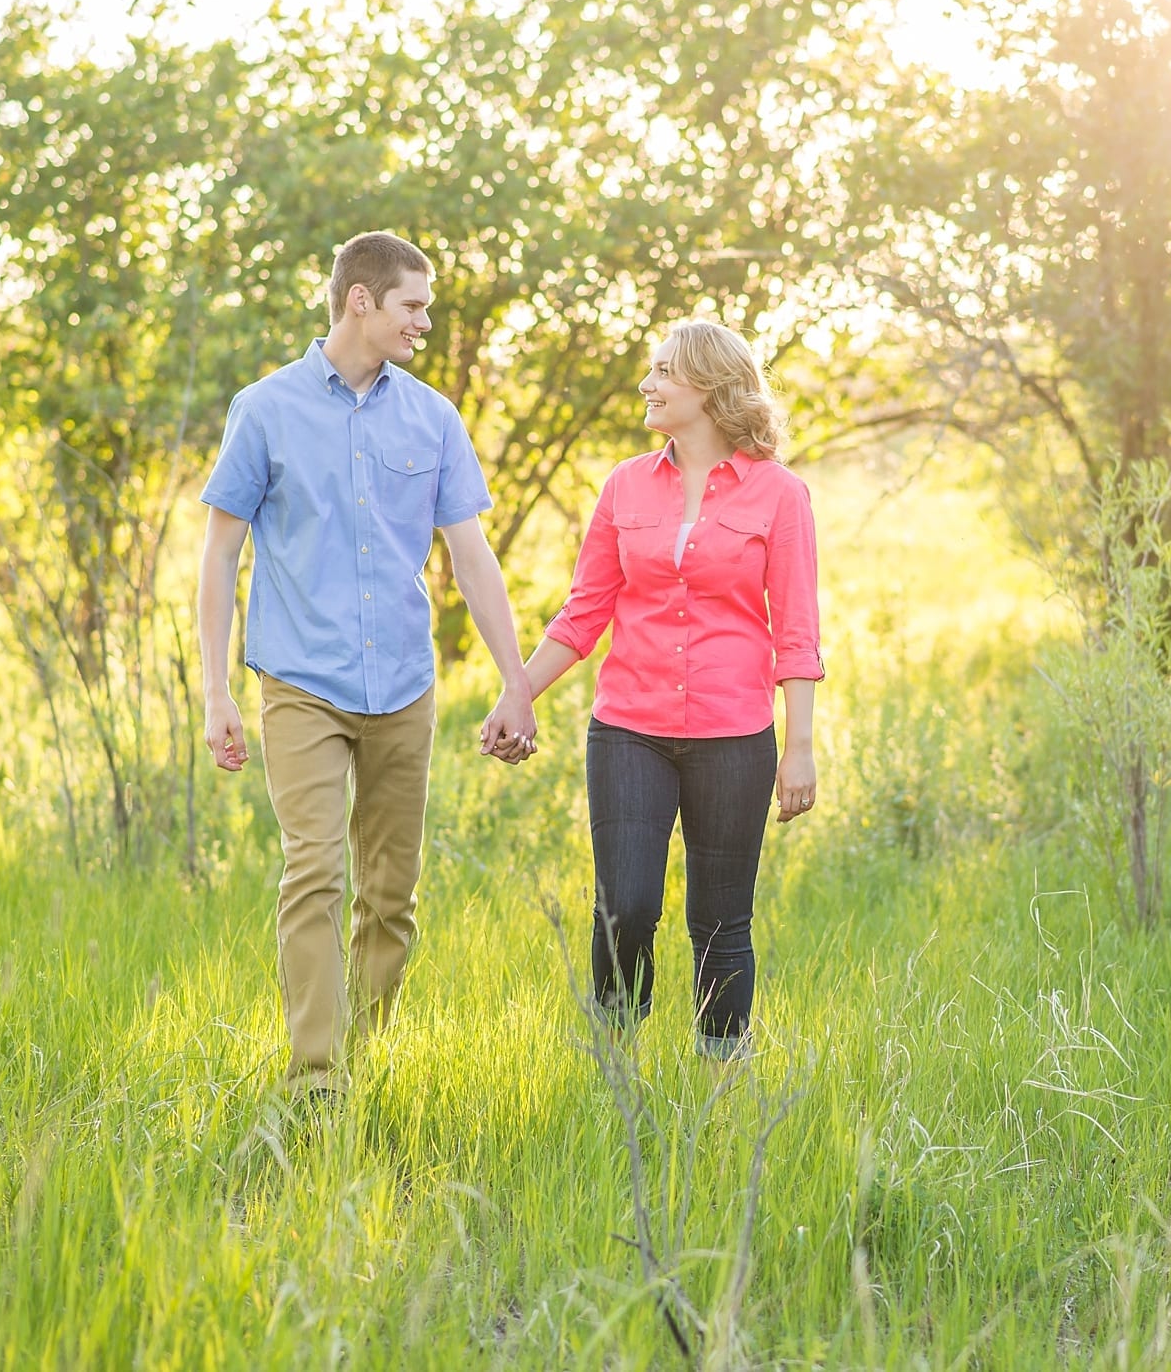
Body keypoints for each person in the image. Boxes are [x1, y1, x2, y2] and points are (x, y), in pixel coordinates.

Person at [196, 230, 537, 1098]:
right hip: (300, 683)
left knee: (391, 894)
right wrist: (215, 691)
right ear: (361, 300)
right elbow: (219, 556)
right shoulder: (263, 409)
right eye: (413, 306)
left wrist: (516, 681)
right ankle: (319, 1080)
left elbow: (471, 554)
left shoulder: (432, 417)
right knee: (314, 870)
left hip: (403, 689)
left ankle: (366, 1051)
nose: (425, 322)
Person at [519, 320, 823, 1062]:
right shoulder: (625, 484)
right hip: (629, 728)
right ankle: (616, 1067)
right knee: (625, 906)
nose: (647, 385)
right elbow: (585, 609)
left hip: (734, 735)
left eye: (663, 372)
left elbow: (798, 629)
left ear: (710, 388)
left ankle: (720, 1081)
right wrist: (515, 694)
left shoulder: (780, 496)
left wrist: (801, 747)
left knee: (721, 922)